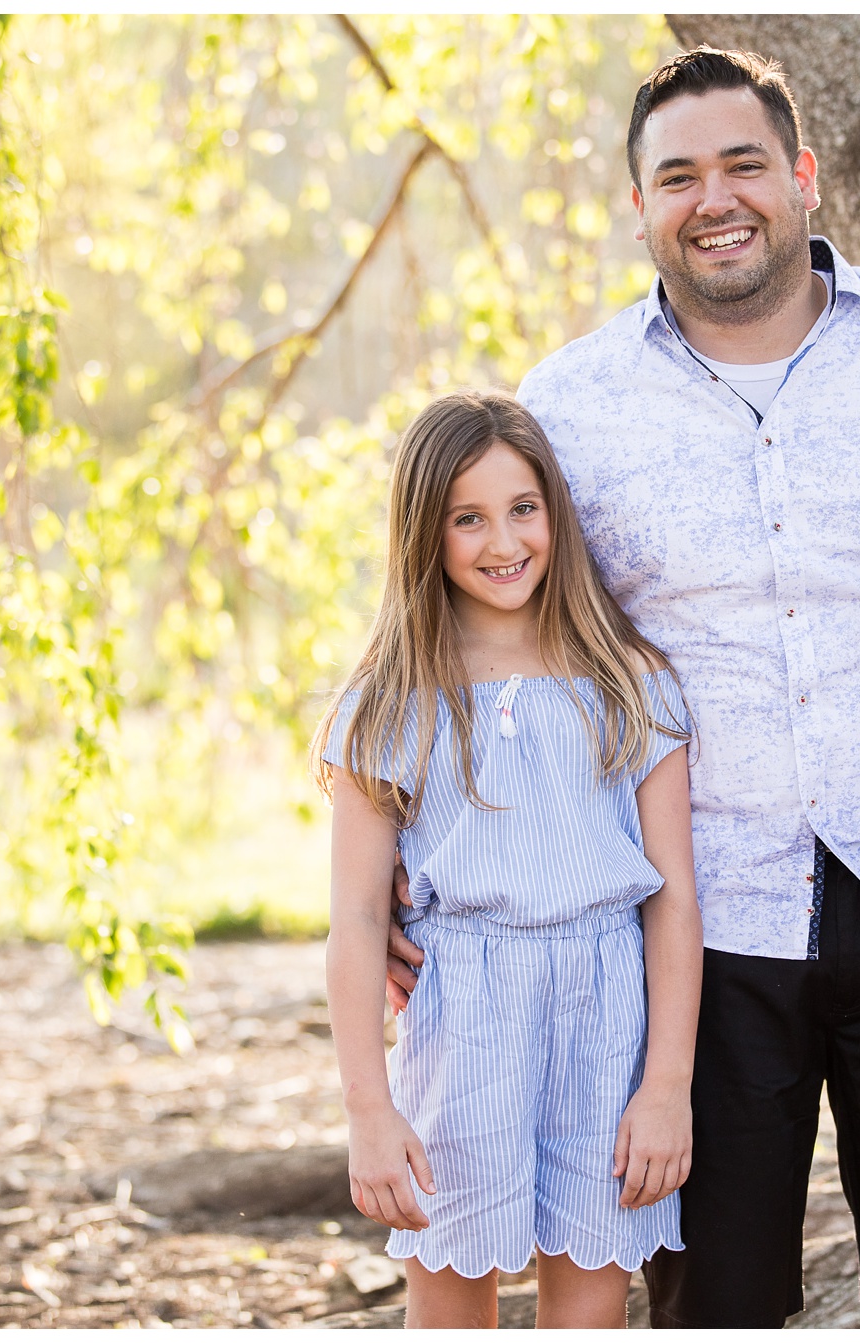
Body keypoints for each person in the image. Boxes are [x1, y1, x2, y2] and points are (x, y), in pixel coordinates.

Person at [389, 47, 860, 1327]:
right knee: (712, 1299)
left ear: (800, 176)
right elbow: (488, 636)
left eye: (741, 163)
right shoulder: (571, 405)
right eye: (675, 175)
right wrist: (411, 872)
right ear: (639, 206)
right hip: (698, 916)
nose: (713, 197)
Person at [319, 390, 703, 1329]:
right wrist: (369, 1109)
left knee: (590, 1305)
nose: (504, 539)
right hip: (466, 1023)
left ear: (555, 515)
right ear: (426, 533)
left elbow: (675, 902)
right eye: (468, 517)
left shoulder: (631, 681)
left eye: (523, 507)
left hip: (608, 1019)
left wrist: (667, 1085)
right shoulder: (390, 701)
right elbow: (359, 918)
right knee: (452, 1303)